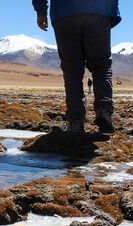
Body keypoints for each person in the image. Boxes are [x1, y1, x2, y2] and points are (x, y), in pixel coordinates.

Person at [32, 0, 121, 133]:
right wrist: (110, 12)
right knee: (101, 65)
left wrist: (41, 12)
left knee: (72, 69)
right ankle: (104, 109)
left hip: (64, 13)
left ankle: (75, 122)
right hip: (99, 11)